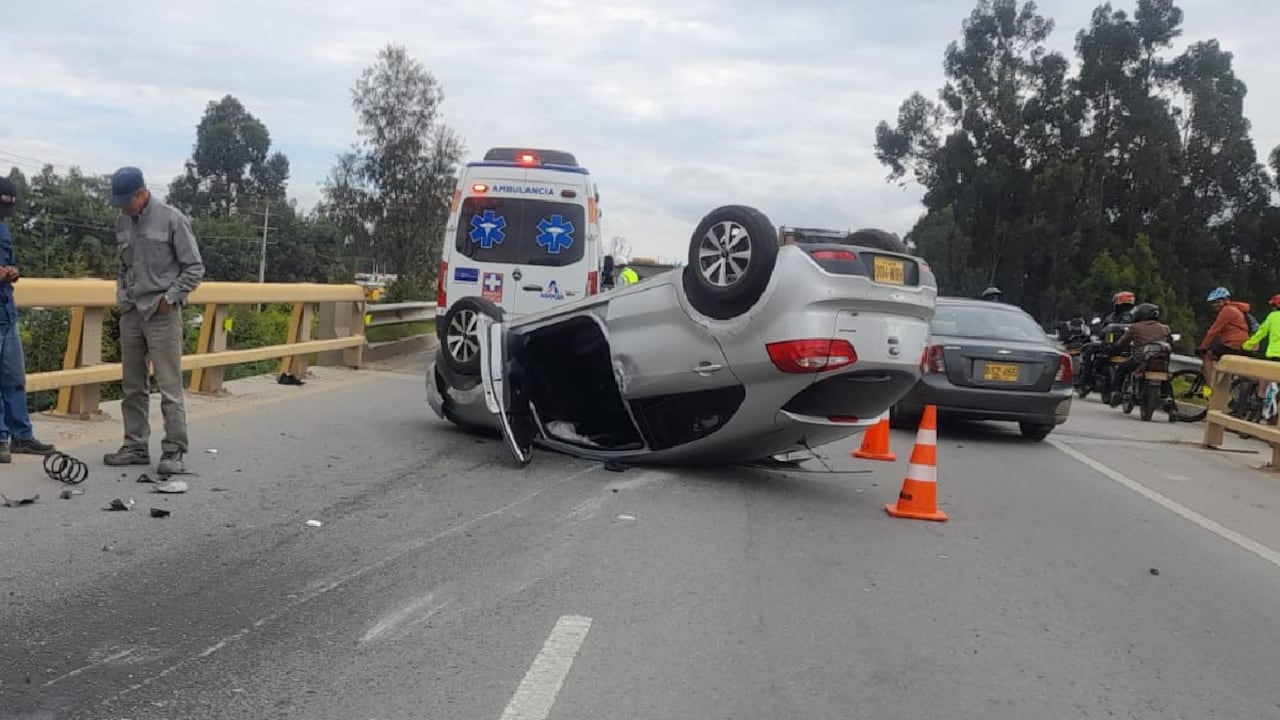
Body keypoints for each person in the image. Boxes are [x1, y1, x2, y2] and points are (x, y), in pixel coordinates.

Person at [102, 167, 205, 476]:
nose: (122, 207)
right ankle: (135, 445)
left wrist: (170, 297)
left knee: (169, 386)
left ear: (142, 193)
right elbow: (125, 266)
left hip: (162, 312)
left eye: (126, 201)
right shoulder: (122, 221)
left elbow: (194, 268)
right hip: (133, 309)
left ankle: (174, 450)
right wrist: (122, 295)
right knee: (132, 384)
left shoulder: (172, 219)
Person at [0, 178, 56, 463]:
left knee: (13, 379)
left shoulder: (3, 229)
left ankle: (21, 436)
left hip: (6, 312)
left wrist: (12, 271)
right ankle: (0, 440)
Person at [1109, 302, 1172, 406]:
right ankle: (1172, 409)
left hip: (1140, 358)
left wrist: (1115, 347)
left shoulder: (1135, 327)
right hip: (1160, 359)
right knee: (1166, 378)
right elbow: (1170, 343)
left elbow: (1122, 342)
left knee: (1122, 369)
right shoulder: (1165, 328)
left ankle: (1116, 393)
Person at [1196, 286, 1251, 387]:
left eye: (1217, 302)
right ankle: (1229, 387)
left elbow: (1214, 330)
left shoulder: (1227, 310)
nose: (1214, 305)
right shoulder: (1235, 309)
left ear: (1225, 300)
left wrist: (1203, 347)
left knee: (1207, 356)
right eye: (1213, 302)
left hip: (1233, 343)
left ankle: (1211, 387)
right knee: (1227, 367)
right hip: (1239, 342)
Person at [1241, 293, 1280, 402]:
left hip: (1275, 354)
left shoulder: (1273, 316)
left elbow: (1261, 333)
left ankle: (1260, 396)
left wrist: (1247, 345)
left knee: (1265, 374)